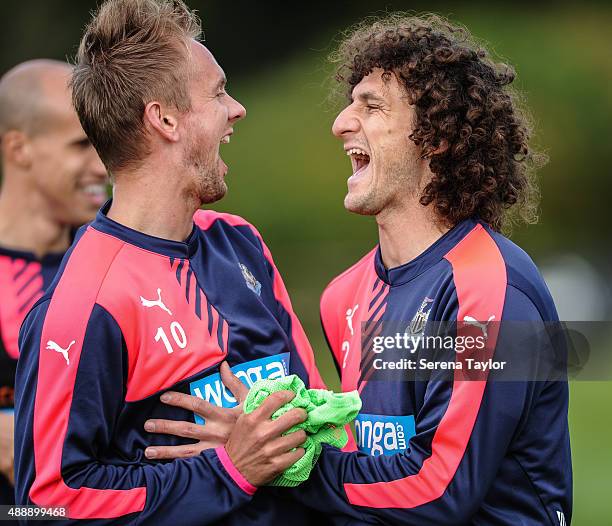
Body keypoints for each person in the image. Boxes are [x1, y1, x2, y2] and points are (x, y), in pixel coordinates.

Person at [160, 14, 573, 526]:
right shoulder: (344, 297)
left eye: (371, 105)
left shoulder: (494, 289)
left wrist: (277, 459)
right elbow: (369, 463)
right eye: (350, 101)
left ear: (436, 138)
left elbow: (440, 491)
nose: (340, 122)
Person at [14, 1, 326, 525]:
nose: (237, 109)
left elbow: (315, 412)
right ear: (164, 119)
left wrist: (274, 434)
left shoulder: (240, 242)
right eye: (219, 92)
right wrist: (228, 472)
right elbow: (42, 504)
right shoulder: (85, 304)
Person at [0, 59, 107, 513]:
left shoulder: (114, 261)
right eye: (81, 144)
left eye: (103, 143)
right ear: (19, 149)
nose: (103, 165)